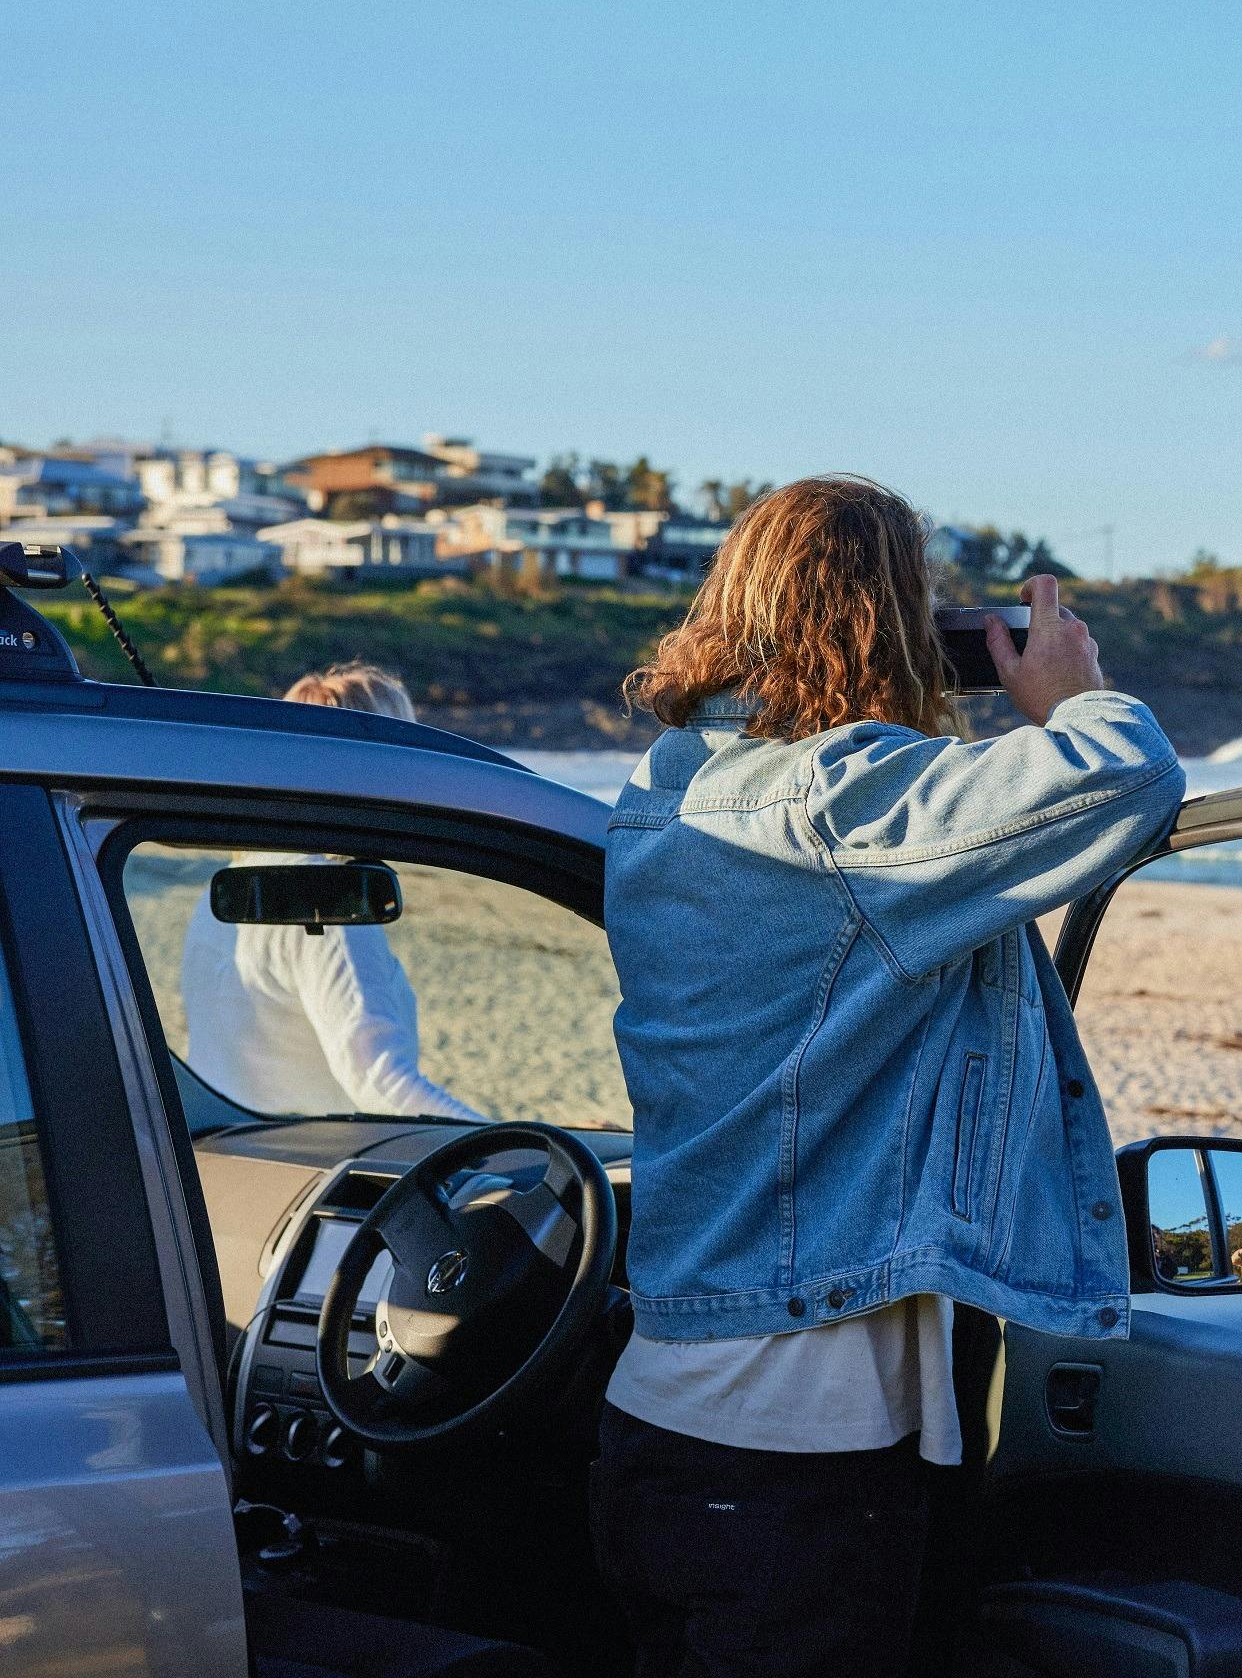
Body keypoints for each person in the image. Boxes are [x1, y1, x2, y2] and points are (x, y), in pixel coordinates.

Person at [591, 476, 1182, 1678]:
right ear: (886, 621)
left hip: (660, 1413)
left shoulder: (665, 800)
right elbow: (1125, 774)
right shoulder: (839, 808)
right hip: (793, 1449)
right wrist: (1071, 692)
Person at [180, 662, 486, 1121]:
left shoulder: (232, 884)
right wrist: (523, 1151)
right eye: (407, 759)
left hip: (236, 1159)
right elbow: (381, 1082)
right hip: (318, 1168)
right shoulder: (321, 898)